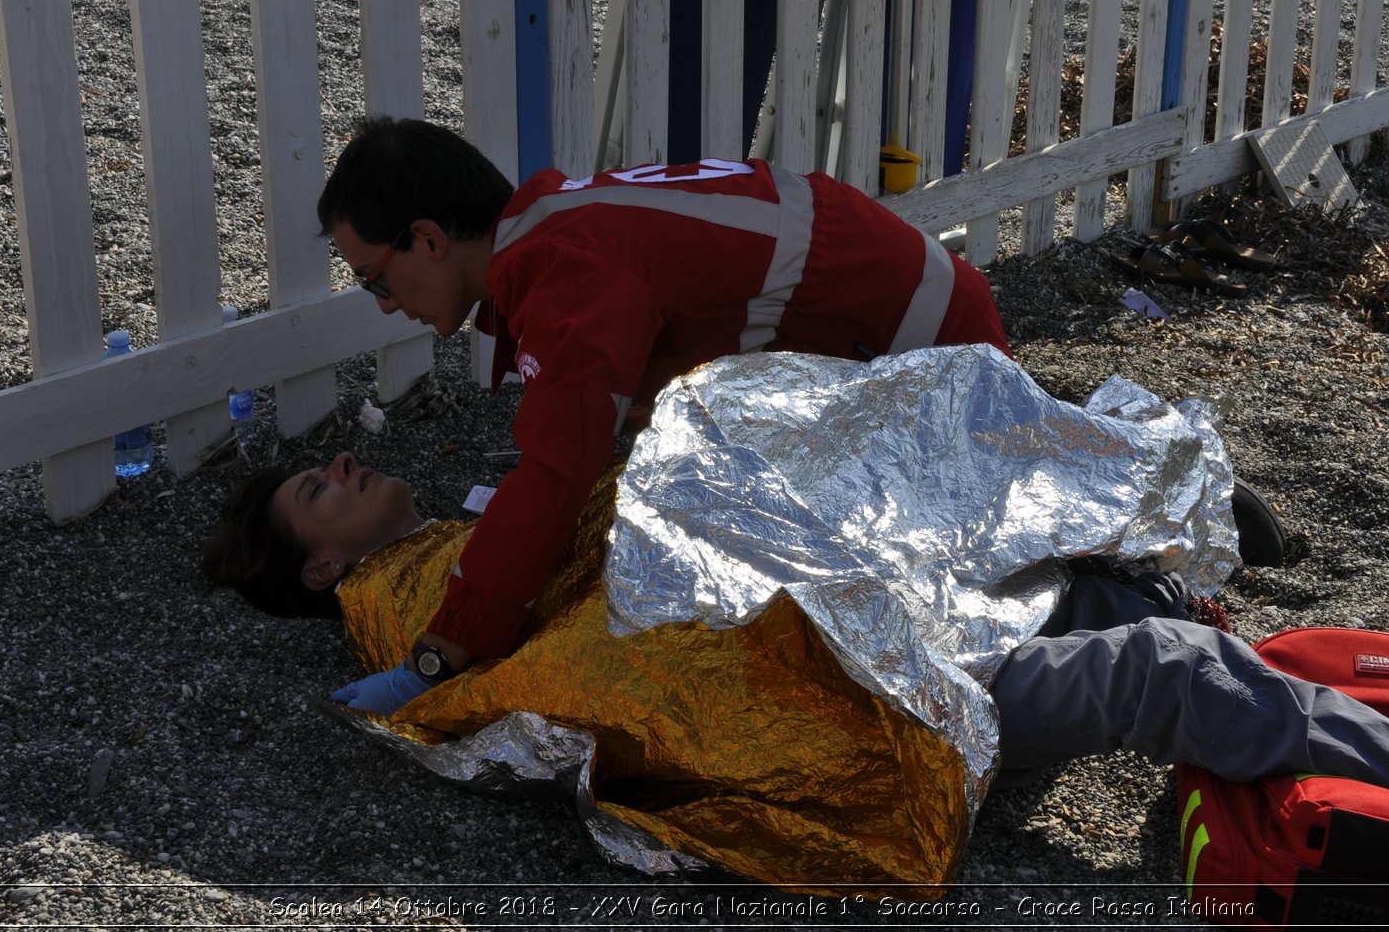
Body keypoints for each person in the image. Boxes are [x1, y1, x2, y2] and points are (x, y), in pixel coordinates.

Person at [201, 450, 1389, 862]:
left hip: (863, 628)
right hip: (844, 692)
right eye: (314, 492)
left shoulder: (464, 532)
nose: (342, 468)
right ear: (321, 566)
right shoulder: (412, 593)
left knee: (1089, 595)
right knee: (1165, 666)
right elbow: (587, 645)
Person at [314, 116, 1012, 701]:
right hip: (913, 338)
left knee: (863, 645)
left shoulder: (564, 269)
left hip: (938, 370)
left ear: (429, 239)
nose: (381, 302)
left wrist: (441, 653)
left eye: (371, 276)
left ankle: (1073, 659)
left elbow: (557, 470)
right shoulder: (561, 223)